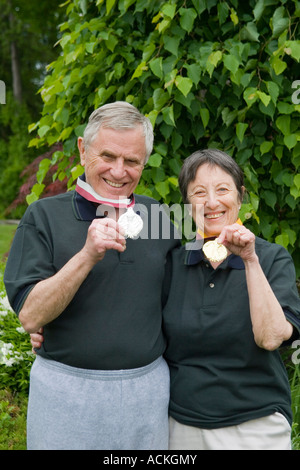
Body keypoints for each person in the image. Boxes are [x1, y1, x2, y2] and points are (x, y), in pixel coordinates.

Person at [4, 101, 179, 450]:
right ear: (84, 150)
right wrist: (87, 255)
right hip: (66, 394)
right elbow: (31, 316)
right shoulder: (43, 217)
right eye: (108, 156)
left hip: (147, 394)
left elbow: (178, 307)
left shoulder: (159, 217)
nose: (119, 171)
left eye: (132, 161)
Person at [163, 149, 300, 450]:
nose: (212, 202)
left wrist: (249, 260)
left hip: (256, 426)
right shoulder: (172, 263)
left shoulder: (271, 258)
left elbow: (271, 337)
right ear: (187, 206)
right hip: (181, 427)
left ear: (239, 197)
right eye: (199, 192)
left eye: (222, 190)